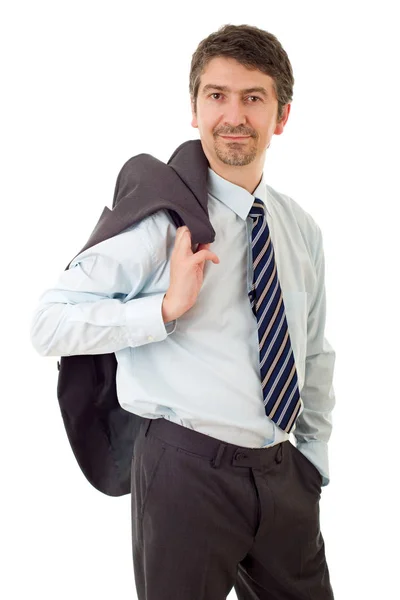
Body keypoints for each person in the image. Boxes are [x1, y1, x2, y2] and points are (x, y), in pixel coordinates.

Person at [30, 23, 336, 600]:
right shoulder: (161, 224)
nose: (234, 115)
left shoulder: (300, 229)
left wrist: (311, 460)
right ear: (194, 111)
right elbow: (47, 323)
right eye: (216, 96)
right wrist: (163, 309)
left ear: (282, 115)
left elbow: (313, 350)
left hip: (283, 477)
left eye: (253, 97)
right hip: (186, 474)